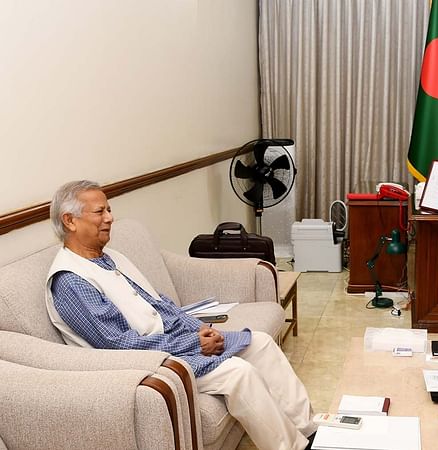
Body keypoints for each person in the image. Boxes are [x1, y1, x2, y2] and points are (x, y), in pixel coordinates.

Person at [45, 180, 317, 450]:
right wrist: (195, 344)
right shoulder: (72, 281)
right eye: (100, 212)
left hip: (173, 344)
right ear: (70, 220)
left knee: (260, 343)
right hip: (148, 364)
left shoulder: (109, 258)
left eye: (109, 210)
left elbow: (159, 303)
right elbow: (118, 345)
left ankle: (311, 430)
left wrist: (198, 328)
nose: (110, 218)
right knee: (238, 373)